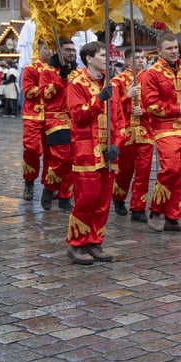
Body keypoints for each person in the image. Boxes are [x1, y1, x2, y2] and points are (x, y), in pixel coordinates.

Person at [64, 41, 125, 265]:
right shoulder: (76, 83)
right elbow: (78, 117)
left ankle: (95, 241)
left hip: (107, 153)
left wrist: (117, 144)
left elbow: (119, 121)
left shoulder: (111, 85)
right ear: (89, 58)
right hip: (86, 152)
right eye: (102, 55)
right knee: (86, 199)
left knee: (102, 201)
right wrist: (99, 99)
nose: (106, 59)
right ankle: (76, 244)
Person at [140, 31, 181, 232]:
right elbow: (151, 105)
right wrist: (177, 109)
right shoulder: (152, 73)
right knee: (171, 169)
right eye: (169, 48)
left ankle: (173, 217)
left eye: (176, 47)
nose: (174, 51)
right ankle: (156, 211)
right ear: (159, 51)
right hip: (164, 128)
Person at [111, 47, 153, 223]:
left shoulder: (149, 79)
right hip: (126, 131)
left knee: (143, 172)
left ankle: (138, 208)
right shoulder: (117, 81)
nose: (140, 61)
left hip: (145, 131)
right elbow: (112, 108)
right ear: (127, 60)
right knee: (124, 170)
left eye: (142, 57)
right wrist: (127, 96)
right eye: (136, 58)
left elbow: (155, 104)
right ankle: (119, 198)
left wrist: (144, 110)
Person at [39, 39, 79, 211]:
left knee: (73, 161)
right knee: (61, 158)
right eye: (67, 50)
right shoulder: (47, 71)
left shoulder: (77, 72)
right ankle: (49, 188)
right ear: (58, 51)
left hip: (75, 120)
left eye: (73, 50)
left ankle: (65, 197)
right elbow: (45, 95)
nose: (71, 53)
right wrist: (60, 78)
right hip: (55, 119)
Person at [21, 40, 53, 202]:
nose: (50, 52)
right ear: (39, 49)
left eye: (53, 48)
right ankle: (29, 180)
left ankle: (50, 184)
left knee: (52, 152)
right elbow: (28, 92)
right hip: (33, 115)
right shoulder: (30, 69)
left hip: (52, 116)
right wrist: (47, 86)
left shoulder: (56, 69)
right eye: (47, 48)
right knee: (31, 149)